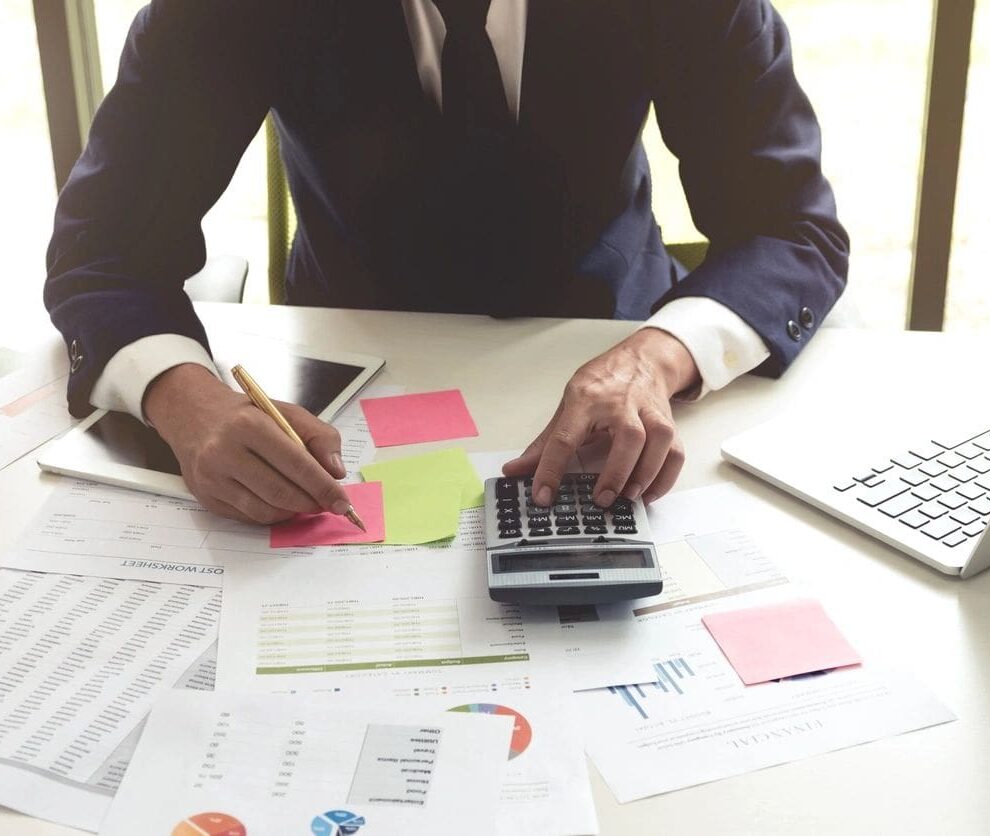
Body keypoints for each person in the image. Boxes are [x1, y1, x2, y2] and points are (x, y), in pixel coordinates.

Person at [45, 0, 848, 526]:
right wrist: (185, 401)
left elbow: (788, 230)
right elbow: (103, 249)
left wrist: (659, 356)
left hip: (609, 354)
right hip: (353, 384)